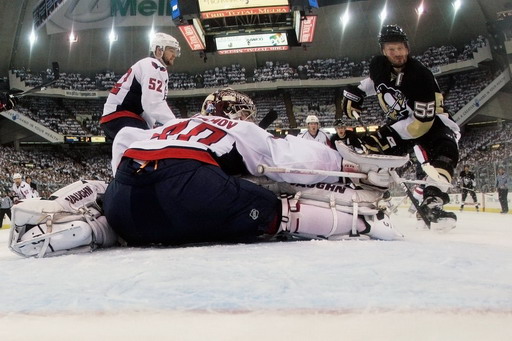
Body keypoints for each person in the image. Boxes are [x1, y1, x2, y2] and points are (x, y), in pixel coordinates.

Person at [102, 88, 406, 247]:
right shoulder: (233, 127)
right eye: (244, 112)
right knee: (269, 202)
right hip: (189, 188)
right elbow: (288, 158)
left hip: (123, 200)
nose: (248, 118)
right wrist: (346, 165)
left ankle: (91, 227)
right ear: (231, 112)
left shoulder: (171, 125)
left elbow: (124, 144)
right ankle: (364, 224)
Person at [341, 24, 460, 230]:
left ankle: (433, 204)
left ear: (407, 48)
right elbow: (375, 82)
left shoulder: (420, 76)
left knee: (445, 154)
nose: (397, 54)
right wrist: (356, 93)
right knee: (372, 158)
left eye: (400, 48)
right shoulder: (379, 65)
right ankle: (365, 199)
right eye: (391, 49)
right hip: (403, 122)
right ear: (383, 51)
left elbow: (421, 125)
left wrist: (390, 133)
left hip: (432, 123)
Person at [100, 32, 181, 140]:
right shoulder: (154, 66)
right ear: (159, 50)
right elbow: (152, 103)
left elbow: (149, 105)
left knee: (141, 151)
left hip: (117, 117)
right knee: (148, 151)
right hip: (122, 116)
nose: (174, 55)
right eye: (171, 50)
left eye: (175, 51)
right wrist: (176, 124)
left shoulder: (149, 65)